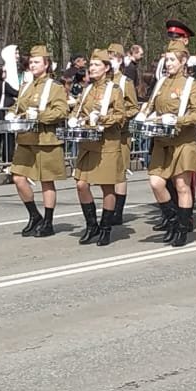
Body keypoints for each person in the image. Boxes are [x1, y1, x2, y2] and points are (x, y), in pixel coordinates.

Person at [139, 39, 196, 247]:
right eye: (167, 60)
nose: (168, 64)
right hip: (162, 141)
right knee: (156, 182)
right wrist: (143, 115)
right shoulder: (161, 83)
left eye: (172, 60)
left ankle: (182, 229)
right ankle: (173, 219)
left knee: (182, 185)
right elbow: (150, 105)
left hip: (183, 140)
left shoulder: (191, 84)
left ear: (183, 61)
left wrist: (177, 120)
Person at [6, 44, 68, 237]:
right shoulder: (26, 86)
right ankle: (34, 215)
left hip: (45, 139)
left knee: (46, 182)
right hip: (26, 138)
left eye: (36, 62)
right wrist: (11, 115)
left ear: (46, 64)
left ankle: (48, 221)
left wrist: (40, 116)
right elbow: (17, 106)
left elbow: (61, 111)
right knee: (18, 177)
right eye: (31, 62)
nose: (32, 65)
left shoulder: (55, 87)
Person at [73, 49, 126, 247]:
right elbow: (78, 109)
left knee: (107, 186)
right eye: (91, 65)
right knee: (81, 184)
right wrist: (74, 119)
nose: (92, 68)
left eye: (96, 65)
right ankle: (91, 224)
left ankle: (105, 228)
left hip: (107, 142)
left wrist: (103, 118)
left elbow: (121, 115)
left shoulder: (114, 89)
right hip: (88, 142)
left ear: (106, 68)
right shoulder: (87, 89)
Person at [107, 42, 139, 225]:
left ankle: (117, 211)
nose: (109, 61)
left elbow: (134, 107)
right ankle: (109, 208)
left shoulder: (125, 82)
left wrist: (120, 116)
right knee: (107, 174)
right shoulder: (103, 82)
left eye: (112, 57)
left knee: (119, 172)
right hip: (105, 134)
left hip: (120, 132)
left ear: (119, 60)